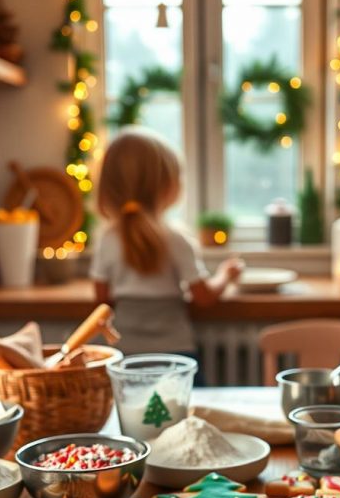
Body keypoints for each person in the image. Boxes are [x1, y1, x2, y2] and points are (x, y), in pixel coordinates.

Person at [90, 128, 242, 374]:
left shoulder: (107, 240)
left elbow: (101, 300)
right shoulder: (177, 240)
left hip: (123, 357)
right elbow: (203, 297)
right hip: (175, 355)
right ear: (168, 186)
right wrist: (226, 275)